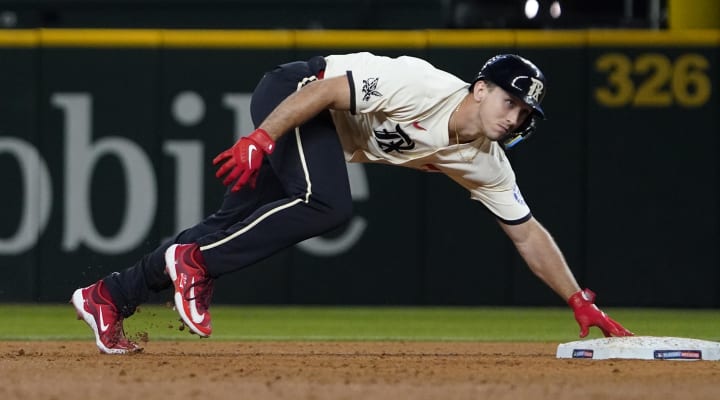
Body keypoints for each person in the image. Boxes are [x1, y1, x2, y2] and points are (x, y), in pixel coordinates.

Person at [71, 52, 633, 354]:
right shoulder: (422, 83)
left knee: (228, 225)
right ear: (481, 88)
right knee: (327, 204)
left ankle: (107, 296)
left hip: (318, 133)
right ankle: (194, 265)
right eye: (510, 101)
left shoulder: (485, 160)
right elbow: (324, 91)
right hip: (296, 95)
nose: (513, 118)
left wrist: (577, 298)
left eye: (523, 115)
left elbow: (526, 232)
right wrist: (261, 139)